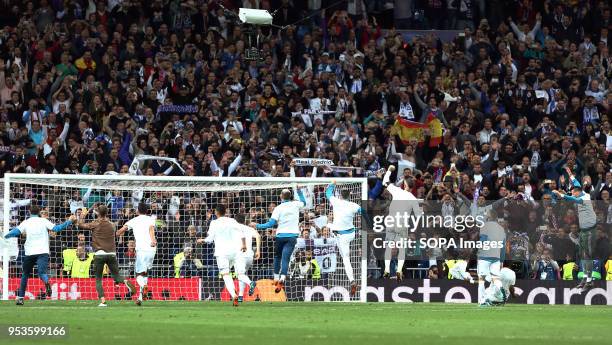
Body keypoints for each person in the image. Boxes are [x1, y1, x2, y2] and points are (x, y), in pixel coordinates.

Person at [3, 205, 75, 305]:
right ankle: (46, 281)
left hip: (30, 253)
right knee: (42, 273)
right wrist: (69, 221)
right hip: (43, 252)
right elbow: (57, 228)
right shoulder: (44, 221)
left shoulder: (26, 222)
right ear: (39, 212)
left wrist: (6, 235)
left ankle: (20, 298)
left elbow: (16, 231)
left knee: (25, 275)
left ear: (29, 212)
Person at [76, 205, 136, 307]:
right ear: (107, 213)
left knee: (98, 279)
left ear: (98, 213)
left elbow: (80, 225)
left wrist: (83, 215)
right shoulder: (112, 225)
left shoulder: (95, 223)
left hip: (99, 254)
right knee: (116, 276)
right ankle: (125, 281)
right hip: (112, 253)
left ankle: (103, 301)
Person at [253, 187, 306, 293]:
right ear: (290, 196)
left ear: (281, 196)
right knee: (285, 258)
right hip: (292, 236)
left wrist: (257, 225)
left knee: (277, 257)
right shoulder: (295, 204)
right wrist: (299, 191)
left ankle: (276, 278)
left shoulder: (278, 208)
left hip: (280, 236)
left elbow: (271, 224)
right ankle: (282, 279)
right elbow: (304, 202)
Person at [552, 167, 597, 293]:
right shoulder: (579, 192)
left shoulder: (585, 197)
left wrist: (561, 194)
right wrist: (570, 174)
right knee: (583, 255)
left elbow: (574, 198)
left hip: (590, 231)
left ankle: (589, 280)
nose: (572, 194)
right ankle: (586, 279)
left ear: (578, 192)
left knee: (587, 255)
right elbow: (576, 185)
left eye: (573, 192)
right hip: (583, 231)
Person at [203, 204, 249, 307]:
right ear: (225, 212)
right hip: (234, 251)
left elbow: (210, 239)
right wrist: (244, 244)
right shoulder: (232, 220)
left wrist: (202, 240)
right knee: (238, 272)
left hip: (221, 253)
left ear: (216, 212)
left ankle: (234, 295)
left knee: (226, 275)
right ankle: (246, 285)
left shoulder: (214, 223)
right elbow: (241, 231)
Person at [381, 165, 422, 281]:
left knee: (389, 246)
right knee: (402, 248)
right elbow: (418, 216)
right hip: (402, 224)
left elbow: (385, 182)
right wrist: (413, 229)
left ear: (404, 185)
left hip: (391, 222)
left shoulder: (397, 191)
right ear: (412, 188)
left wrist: (389, 171)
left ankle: (387, 270)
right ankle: (399, 270)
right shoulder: (413, 199)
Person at [116, 203, 157, 305]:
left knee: (138, 274)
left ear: (138, 211)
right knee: (145, 273)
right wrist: (153, 240)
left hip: (142, 250)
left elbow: (121, 231)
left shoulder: (133, 220)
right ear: (147, 211)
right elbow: (151, 230)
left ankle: (143, 287)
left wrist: (114, 233)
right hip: (152, 248)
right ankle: (141, 298)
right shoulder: (151, 219)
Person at [325, 181, 361, 295]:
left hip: (342, 236)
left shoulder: (336, 201)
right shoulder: (355, 205)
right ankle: (353, 281)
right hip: (351, 233)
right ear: (349, 195)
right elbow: (364, 213)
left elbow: (328, 192)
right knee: (329, 226)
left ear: (340, 195)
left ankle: (352, 280)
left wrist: (332, 183)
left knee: (346, 258)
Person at [229, 214, 261, 302]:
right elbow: (258, 236)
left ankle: (251, 283)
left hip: (240, 254)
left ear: (235, 220)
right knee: (242, 274)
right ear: (244, 220)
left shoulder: (233, 228)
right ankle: (240, 296)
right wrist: (258, 251)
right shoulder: (249, 229)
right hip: (250, 255)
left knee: (240, 275)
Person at [476, 216, 506, 305]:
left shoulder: (485, 227)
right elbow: (503, 247)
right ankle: (500, 291)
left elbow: (482, 242)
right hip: (496, 258)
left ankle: (482, 301)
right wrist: (501, 261)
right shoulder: (501, 230)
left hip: (484, 257)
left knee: (481, 279)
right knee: (496, 278)